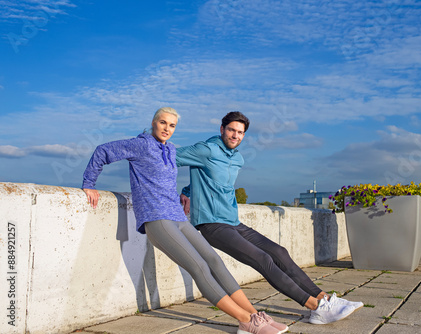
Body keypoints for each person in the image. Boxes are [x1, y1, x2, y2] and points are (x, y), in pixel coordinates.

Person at [81, 107, 288, 334]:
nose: (167, 129)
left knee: (214, 260)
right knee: (198, 267)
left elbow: (195, 174)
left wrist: (187, 191)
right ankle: (245, 321)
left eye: (172, 125)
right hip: (157, 218)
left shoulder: (170, 149)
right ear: (153, 123)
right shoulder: (140, 145)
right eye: (163, 123)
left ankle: (255, 315)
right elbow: (103, 151)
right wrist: (89, 183)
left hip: (178, 216)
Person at [177, 111, 364, 325]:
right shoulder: (205, 149)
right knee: (262, 259)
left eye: (240, 132)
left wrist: (188, 190)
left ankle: (325, 299)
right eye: (231, 130)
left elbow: (212, 180)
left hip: (233, 222)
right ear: (222, 130)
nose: (235, 135)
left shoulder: (237, 158)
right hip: (213, 225)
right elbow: (169, 156)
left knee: (278, 252)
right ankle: (315, 308)